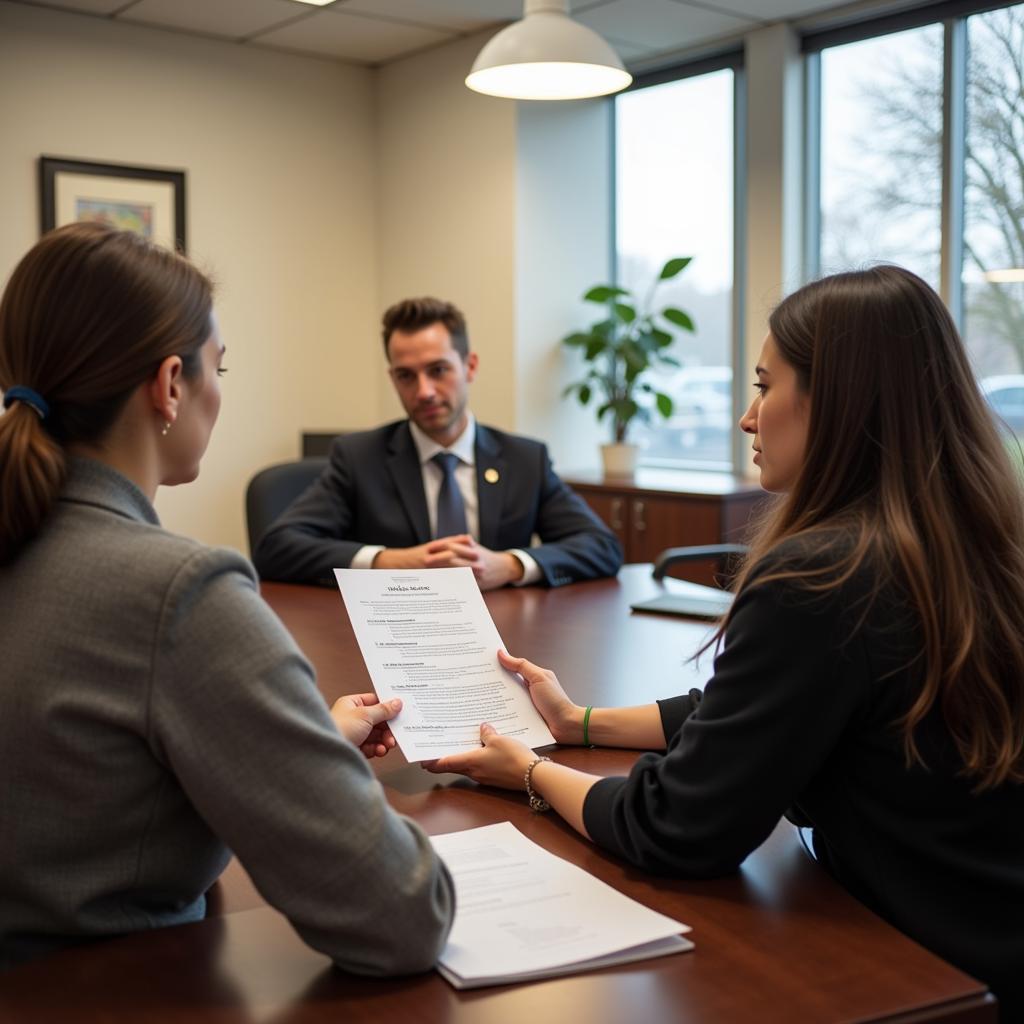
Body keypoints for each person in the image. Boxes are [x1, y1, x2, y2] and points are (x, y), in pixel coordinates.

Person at [424, 266, 1024, 1018]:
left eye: (766, 387)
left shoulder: (825, 574)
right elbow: (760, 708)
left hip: (929, 967)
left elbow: (679, 827)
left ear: (834, 403)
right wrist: (578, 723)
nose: (747, 416)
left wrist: (532, 776)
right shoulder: (969, 538)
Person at [0, 223, 453, 974]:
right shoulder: (181, 593)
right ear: (170, 384)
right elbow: (403, 914)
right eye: (221, 366)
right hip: (119, 993)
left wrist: (294, 744)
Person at [252, 297, 622, 589]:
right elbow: (277, 548)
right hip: (394, 641)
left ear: (470, 366)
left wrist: (508, 565)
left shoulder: (524, 459)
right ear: (393, 379)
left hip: (502, 639)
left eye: (438, 370)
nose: (424, 391)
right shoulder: (359, 457)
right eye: (406, 376)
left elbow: (602, 547)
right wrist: (391, 561)